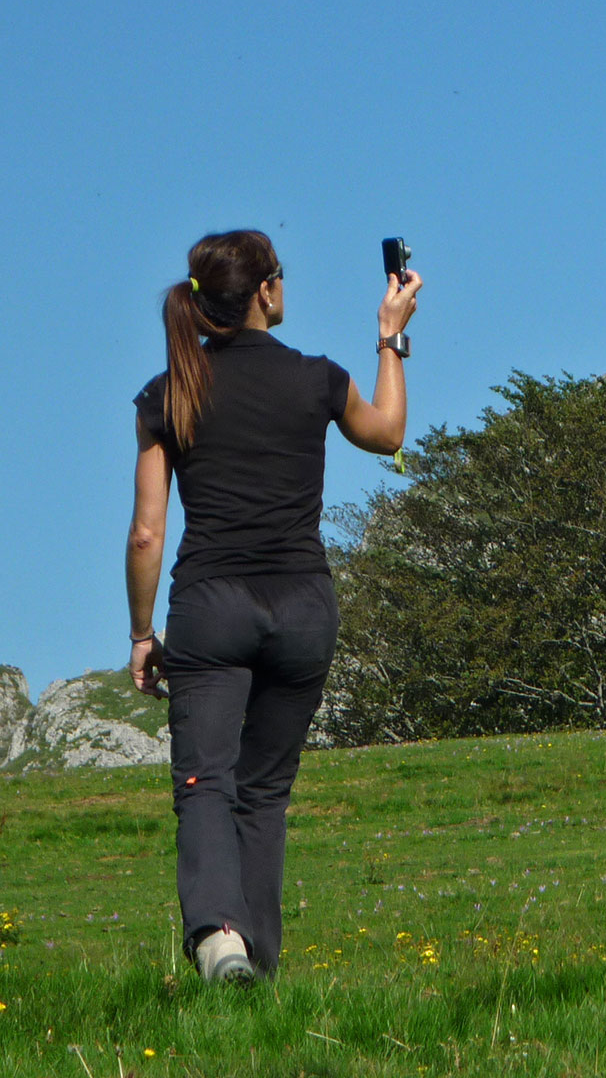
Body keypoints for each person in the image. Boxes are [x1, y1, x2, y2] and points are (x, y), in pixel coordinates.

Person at [124, 230, 419, 982]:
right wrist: (392, 339)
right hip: (303, 611)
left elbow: (147, 533)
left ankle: (219, 939)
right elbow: (387, 435)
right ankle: (256, 965)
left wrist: (140, 632)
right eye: (280, 275)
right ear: (264, 293)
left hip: (212, 609)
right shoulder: (317, 379)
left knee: (205, 784)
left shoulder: (169, 396)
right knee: (264, 795)